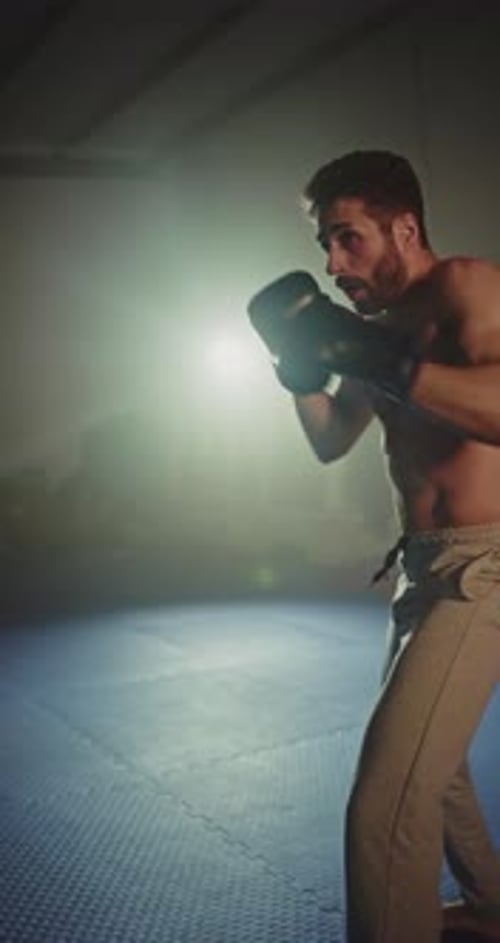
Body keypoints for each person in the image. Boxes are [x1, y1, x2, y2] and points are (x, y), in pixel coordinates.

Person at [248, 151, 500, 943]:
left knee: (386, 799)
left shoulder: (465, 285)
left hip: (483, 566)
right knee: (440, 763)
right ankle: (493, 904)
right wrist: (298, 371)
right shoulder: (371, 331)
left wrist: (379, 359)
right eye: (325, 243)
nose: (332, 263)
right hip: (421, 569)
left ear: (405, 228)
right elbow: (331, 442)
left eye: (347, 238)